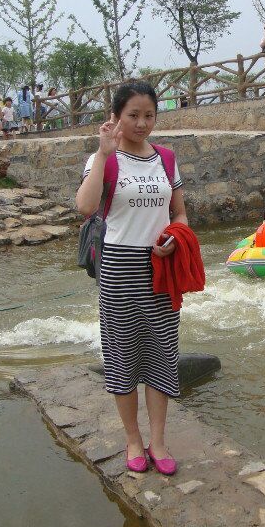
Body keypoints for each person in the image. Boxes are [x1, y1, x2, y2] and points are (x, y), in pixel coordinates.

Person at [76, 80, 189, 476]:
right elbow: (86, 207)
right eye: (133, 115)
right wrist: (105, 152)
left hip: (160, 266)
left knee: (161, 353)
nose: (142, 124)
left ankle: (158, 441)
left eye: (149, 116)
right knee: (123, 356)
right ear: (116, 117)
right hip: (118, 267)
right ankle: (132, 440)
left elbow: (179, 213)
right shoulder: (103, 159)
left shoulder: (166, 159)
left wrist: (174, 238)